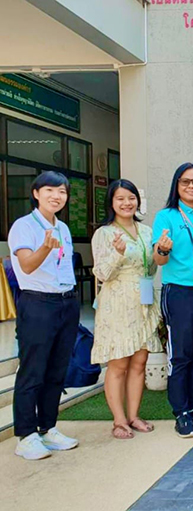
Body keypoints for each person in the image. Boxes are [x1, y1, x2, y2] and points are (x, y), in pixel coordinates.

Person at [10, 171, 80, 459]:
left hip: (66, 302)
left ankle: (48, 427)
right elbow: (26, 266)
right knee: (33, 369)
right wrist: (44, 247)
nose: (57, 196)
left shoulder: (62, 228)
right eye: (50, 190)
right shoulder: (24, 226)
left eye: (62, 191)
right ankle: (25, 435)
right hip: (37, 303)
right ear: (36, 193)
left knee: (56, 369)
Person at [91, 180, 162, 439]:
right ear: (111, 202)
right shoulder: (105, 233)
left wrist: (160, 253)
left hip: (143, 301)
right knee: (118, 363)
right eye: (120, 198)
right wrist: (117, 254)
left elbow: (151, 269)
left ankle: (134, 415)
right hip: (117, 303)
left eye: (131, 197)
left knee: (140, 361)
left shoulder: (146, 231)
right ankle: (118, 420)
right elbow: (101, 273)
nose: (126, 203)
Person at [153, 163, 193, 438]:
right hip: (178, 292)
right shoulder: (166, 216)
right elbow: (158, 260)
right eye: (185, 182)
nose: (191, 187)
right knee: (180, 356)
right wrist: (162, 248)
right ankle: (180, 412)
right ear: (176, 186)